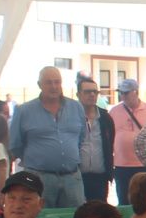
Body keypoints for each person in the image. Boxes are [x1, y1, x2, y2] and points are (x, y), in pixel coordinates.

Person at [9, 66, 88, 209]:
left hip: (72, 178)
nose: (54, 86)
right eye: (49, 82)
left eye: (57, 82)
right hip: (39, 178)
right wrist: (38, 159)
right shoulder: (24, 111)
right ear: (39, 85)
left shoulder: (76, 107)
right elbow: (15, 145)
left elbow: (82, 137)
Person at [110, 78, 146, 201]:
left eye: (126, 93)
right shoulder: (114, 111)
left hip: (143, 164)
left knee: (144, 200)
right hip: (121, 165)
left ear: (135, 92)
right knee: (123, 199)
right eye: (121, 93)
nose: (122, 96)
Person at [77, 75, 116, 204]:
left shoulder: (105, 117)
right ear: (78, 94)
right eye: (88, 92)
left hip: (100, 177)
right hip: (77, 177)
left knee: (99, 212)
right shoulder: (71, 115)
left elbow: (110, 144)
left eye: (95, 92)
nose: (92, 95)